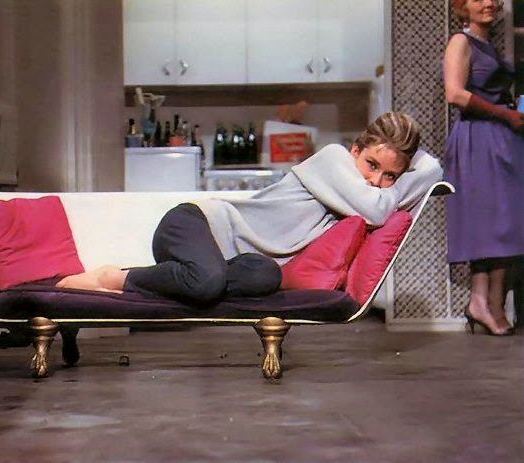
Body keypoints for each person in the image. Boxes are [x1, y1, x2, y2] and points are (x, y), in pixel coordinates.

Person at [58, 112, 443, 304]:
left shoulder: (366, 190)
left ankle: (194, 279)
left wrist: (403, 172)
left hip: (235, 259)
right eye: (371, 164)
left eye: (391, 176)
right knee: (207, 282)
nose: (376, 180)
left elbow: (433, 169)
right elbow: (377, 211)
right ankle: (115, 277)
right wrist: (398, 182)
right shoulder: (334, 159)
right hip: (195, 223)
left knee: (266, 277)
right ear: (355, 150)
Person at [443, 0, 524, 336]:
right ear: (463, 7)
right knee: (486, 220)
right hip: (478, 138)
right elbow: (455, 94)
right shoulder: (460, 42)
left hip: (502, 139)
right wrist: (505, 114)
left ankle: (491, 300)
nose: (489, 3)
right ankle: (481, 300)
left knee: (505, 222)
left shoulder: (488, 44)